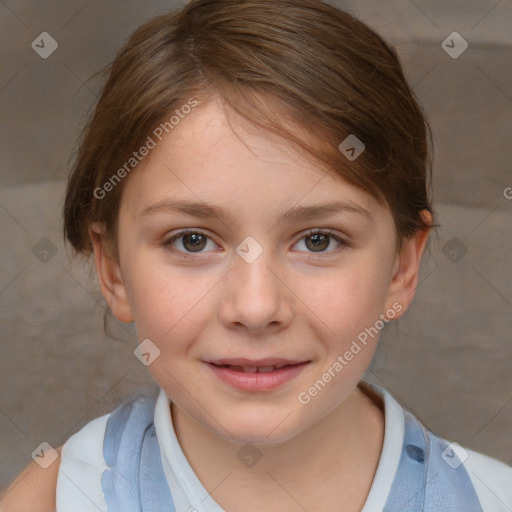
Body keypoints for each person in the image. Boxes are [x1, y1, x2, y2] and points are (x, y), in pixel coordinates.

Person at [1, 0, 511, 510]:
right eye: (192, 240)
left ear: (401, 269)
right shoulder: (57, 497)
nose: (256, 307)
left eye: (318, 240)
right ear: (112, 270)